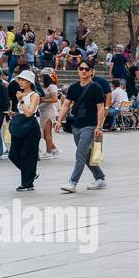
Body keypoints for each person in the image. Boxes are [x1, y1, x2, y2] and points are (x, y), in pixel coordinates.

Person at [57, 62, 107, 192]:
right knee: (86, 155)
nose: (83, 71)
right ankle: (100, 178)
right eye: (81, 69)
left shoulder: (96, 88)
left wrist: (99, 126)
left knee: (80, 154)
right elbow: (66, 105)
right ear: (78, 71)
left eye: (86, 69)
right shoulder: (73, 87)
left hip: (90, 126)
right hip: (76, 126)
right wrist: (58, 121)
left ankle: (72, 182)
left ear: (91, 71)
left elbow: (100, 108)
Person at [9, 70, 41, 191]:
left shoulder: (34, 95)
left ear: (29, 82)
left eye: (23, 80)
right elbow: (23, 112)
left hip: (31, 127)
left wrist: (21, 100)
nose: (20, 82)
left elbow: (29, 113)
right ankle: (31, 173)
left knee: (28, 155)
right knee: (13, 154)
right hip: (20, 126)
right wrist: (15, 113)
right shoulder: (21, 94)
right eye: (20, 80)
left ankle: (27, 184)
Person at [37, 68, 60, 157]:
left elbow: (55, 99)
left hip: (49, 111)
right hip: (43, 111)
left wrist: (43, 100)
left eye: (42, 76)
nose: (40, 78)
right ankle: (54, 149)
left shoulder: (52, 86)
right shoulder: (45, 86)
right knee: (45, 133)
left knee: (47, 133)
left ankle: (48, 152)